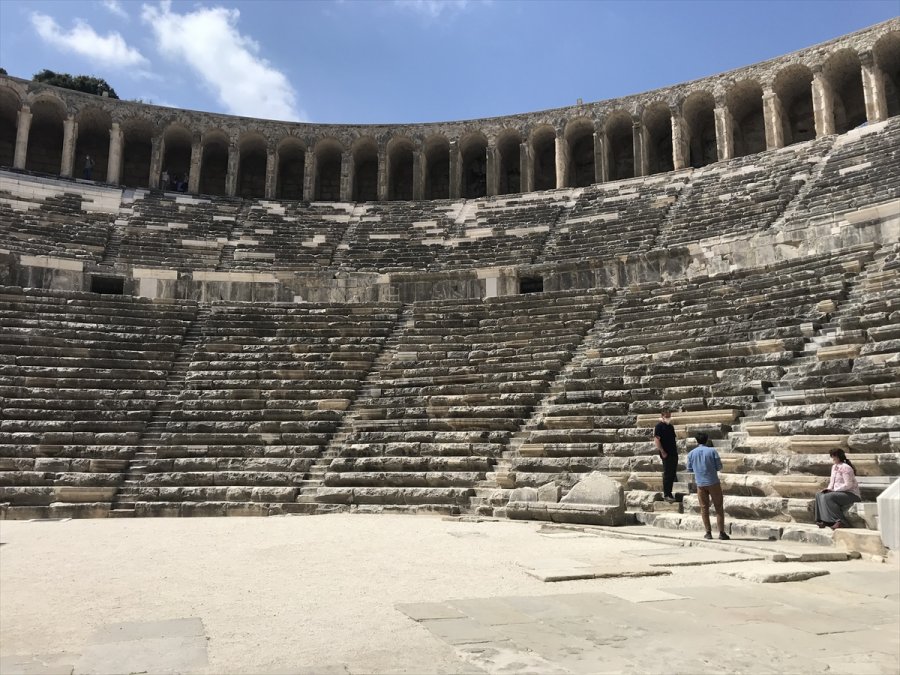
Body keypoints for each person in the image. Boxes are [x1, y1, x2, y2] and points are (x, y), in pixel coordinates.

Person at [686, 431, 729, 540]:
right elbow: (719, 467)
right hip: (713, 482)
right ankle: (721, 533)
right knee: (718, 507)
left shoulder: (691, 453)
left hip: (700, 484)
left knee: (704, 508)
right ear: (707, 439)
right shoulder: (712, 451)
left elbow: (689, 469)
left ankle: (708, 532)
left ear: (697, 440)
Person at [814, 449, 861, 530]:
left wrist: (835, 491)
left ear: (839, 457)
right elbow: (832, 482)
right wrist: (828, 489)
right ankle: (823, 520)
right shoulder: (834, 467)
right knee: (819, 495)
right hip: (838, 492)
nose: (833, 459)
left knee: (828, 497)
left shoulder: (846, 468)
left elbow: (848, 485)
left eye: (834, 457)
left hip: (851, 494)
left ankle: (841, 521)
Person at [653, 408, 678, 502]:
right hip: (666, 454)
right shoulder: (659, 426)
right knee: (667, 474)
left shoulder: (670, 427)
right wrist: (662, 451)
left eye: (669, 416)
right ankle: (667, 494)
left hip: (673, 453)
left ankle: (670, 493)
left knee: (672, 474)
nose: (668, 417)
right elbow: (657, 440)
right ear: (662, 416)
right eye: (666, 416)